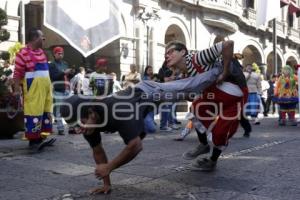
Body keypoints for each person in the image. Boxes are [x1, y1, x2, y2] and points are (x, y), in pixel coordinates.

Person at [60, 52, 228, 194]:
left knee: (188, 87)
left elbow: (135, 146)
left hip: (147, 92)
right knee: (159, 116)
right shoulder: (88, 126)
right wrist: (106, 184)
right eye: (75, 127)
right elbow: (98, 152)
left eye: (81, 123)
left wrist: (109, 166)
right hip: (140, 106)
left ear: (90, 113)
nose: (80, 129)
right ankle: (187, 92)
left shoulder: (116, 109)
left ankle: (219, 68)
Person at [164, 40, 248, 171]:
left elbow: (228, 44)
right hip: (214, 95)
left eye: (170, 52)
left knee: (221, 132)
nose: (167, 56)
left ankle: (212, 161)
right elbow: (192, 96)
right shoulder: (185, 74)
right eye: (166, 54)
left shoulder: (197, 59)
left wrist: (225, 72)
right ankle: (204, 145)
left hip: (235, 95)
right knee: (196, 109)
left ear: (183, 52)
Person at [13, 27, 56, 150]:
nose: (44, 39)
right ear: (34, 38)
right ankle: (33, 140)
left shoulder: (41, 52)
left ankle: (41, 137)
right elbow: (17, 74)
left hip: (46, 88)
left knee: (45, 110)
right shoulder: (23, 53)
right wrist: (16, 89)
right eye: (42, 36)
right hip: (33, 89)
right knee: (34, 112)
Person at [49, 46, 73, 135]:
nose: (61, 55)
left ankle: (71, 127)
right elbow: (53, 77)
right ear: (54, 54)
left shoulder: (65, 63)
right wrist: (64, 72)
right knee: (59, 110)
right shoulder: (51, 65)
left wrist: (71, 73)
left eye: (62, 53)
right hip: (58, 89)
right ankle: (60, 128)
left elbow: (67, 76)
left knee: (69, 108)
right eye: (59, 53)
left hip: (67, 88)